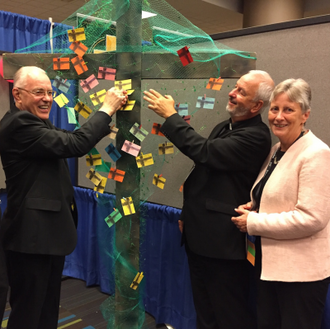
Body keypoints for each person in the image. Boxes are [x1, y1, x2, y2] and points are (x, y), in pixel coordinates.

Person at [144, 70, 274, 329]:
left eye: (241, 92)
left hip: (223, 243)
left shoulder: (256, 136)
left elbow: (205, 153)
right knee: (204, 310)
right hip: (199, 235)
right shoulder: (224, 126)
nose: (232, 93)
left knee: (228, 313)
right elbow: (204, 175)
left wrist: (171, 117)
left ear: (257, 105)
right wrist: (186, 215)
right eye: (235, 87)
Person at [0, 66, 127, 329]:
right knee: (29, 312)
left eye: (49, 91)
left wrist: (104, 126)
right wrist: (105, 109)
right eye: (38, 92)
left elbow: (69, 138)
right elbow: (74, 145)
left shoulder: (35, 120)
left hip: (45, 235)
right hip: (31, 238)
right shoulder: (19, 124)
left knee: (46, 307)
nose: (47, 98)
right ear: (17, 94)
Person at [232, 78, 330, 329]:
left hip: (299, 275)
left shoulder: (317, 154)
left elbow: (312, 218)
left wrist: (253, 222)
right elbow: (275, 197)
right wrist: (253, 207)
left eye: (289, 110)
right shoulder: (277, 149)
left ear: (305, 115)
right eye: (275, 108)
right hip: (270, 267)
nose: (278, 116)